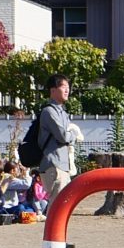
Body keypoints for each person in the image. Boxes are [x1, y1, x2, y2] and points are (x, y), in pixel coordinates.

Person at [23, 77, 81, 210]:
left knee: (63, 205)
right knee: (57, 206)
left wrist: (70, 135)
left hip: (62, 165)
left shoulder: (62, 112)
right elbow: (63, 136)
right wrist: (74, 134)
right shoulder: (49, 112)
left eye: (68, 87)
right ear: (53, 90)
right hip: (53, 165)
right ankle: (51, 225)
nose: (67, 90)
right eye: (63, 87)